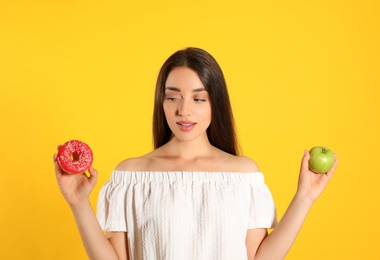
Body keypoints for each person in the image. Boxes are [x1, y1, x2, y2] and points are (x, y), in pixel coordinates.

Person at [53, 47, 338, 260]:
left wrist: (304, 197)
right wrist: (79, 203)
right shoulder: (132, 175)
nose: (184, 110)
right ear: (161, 102)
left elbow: (259, 258)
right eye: (173, 96)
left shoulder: (243, 175)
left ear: (216, 102)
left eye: (198, 98)